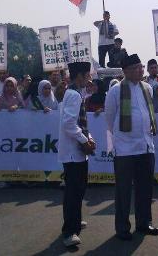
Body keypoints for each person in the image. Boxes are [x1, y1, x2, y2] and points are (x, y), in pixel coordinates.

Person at [105, 54, 158, 241]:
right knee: (123, 191)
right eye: (136, 67)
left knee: (145, 188)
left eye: (141, 66)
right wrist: (119, 142)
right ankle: (122, 228)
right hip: (125, 149)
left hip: (146, 146)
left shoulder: (147, 88)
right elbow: (110, 118)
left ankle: (144, 223)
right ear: (125, 71)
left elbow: (148, 113)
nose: (141, 70)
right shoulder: (115, 91)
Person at [59, 61, 96, 247]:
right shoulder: (73, 94)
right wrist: (85, 141)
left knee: (78, 189)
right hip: (73, 153)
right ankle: (69, 231)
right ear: (80, 76)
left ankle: (75, 221)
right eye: (87, 75)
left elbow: (79, 124)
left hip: (76, 152)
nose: (89, 78)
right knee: (74, 192)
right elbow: (68, 124)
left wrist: (88, 137)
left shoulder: (75, 93)